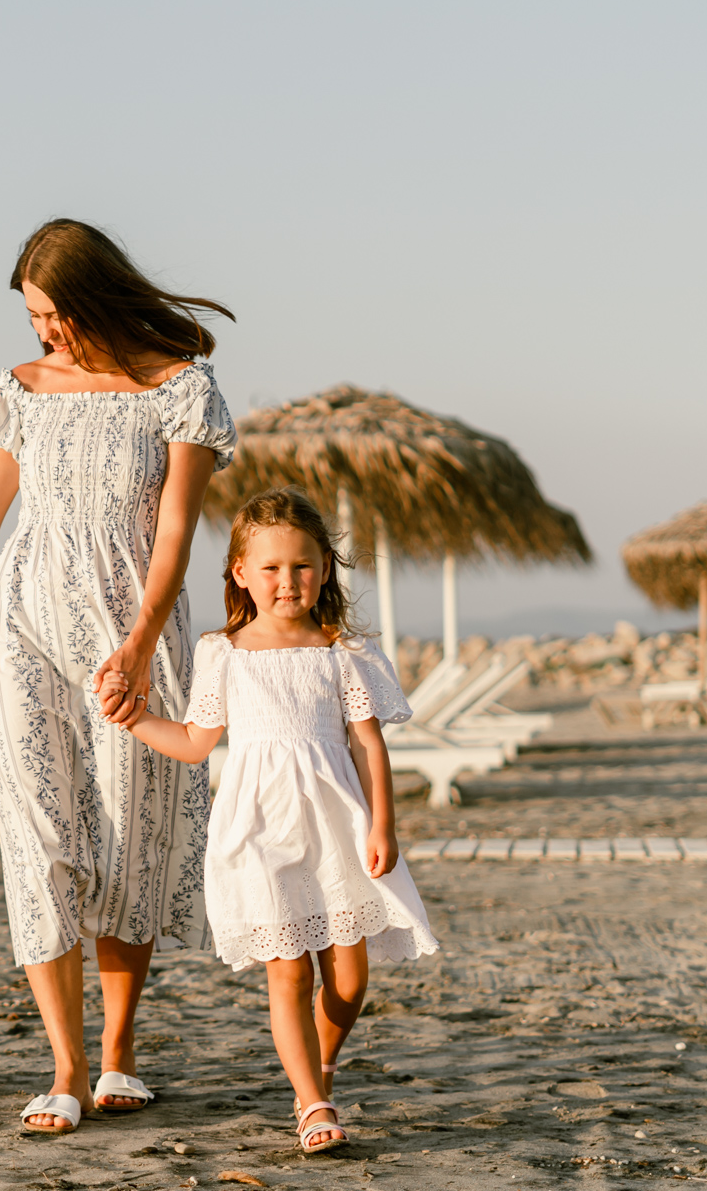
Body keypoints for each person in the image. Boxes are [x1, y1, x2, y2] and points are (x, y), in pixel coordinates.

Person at [0, 219, 237, 1134]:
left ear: (95, 297)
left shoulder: (180, 391)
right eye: (34, 316)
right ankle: (66, 1067)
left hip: (135, 638)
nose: (45, 333)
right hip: (23, 632)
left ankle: (118, 1056)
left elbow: (174, 533)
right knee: (38, 835)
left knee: (132, 834)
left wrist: (142, 641)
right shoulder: (21, 394)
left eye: (55, 314)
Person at [103, 486, 439, 1155]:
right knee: (288, 972)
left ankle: (320, 1063)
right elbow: (198, 742)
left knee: (349, 979)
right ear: (240, 574)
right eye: (272, 568)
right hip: (257, 831)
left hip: (337, 825)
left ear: (325, 568)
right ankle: (312, 1103)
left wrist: (383, 827)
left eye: (303, 565)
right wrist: (136, 718)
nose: (288, 581)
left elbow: (368, 744)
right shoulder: (222, 653)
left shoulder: (344, 649)